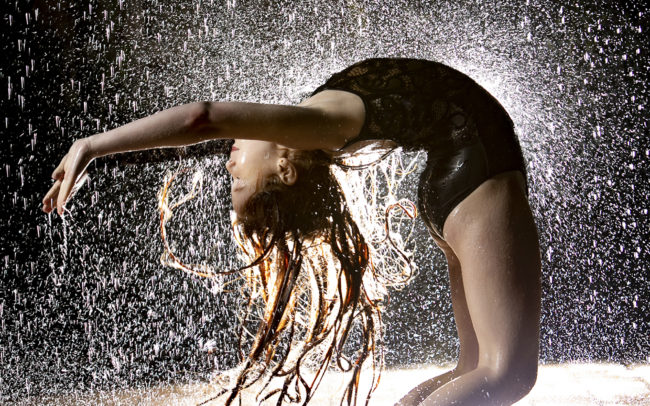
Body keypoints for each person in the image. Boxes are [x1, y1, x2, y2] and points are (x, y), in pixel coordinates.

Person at [42, 57, 541, 405]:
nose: (230, 159)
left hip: (460, 175)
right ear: (285, 170)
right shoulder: (316, 128)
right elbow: (202, 119)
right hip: (476, 167)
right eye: (239, 178)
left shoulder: (307, 128)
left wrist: (106, 157)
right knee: (505, 374)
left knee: (472, 371)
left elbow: (188, 139)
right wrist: (91, 145)